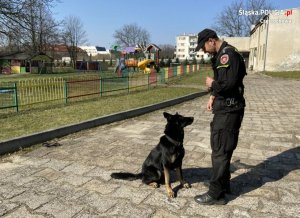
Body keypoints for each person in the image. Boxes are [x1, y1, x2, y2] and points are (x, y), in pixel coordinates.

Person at [194, 29, 247, 205]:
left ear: (211, 40)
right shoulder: (225, 53)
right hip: (228, 108)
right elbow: (227, 83)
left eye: (203, 47)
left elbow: (228, 84)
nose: (203, 51)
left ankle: (215, 194)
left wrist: (212, 84)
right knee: (224, 149)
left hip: (228, 110)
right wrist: (213, 95)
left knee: (220, 151)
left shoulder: (227, 54)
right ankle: (223, 185)